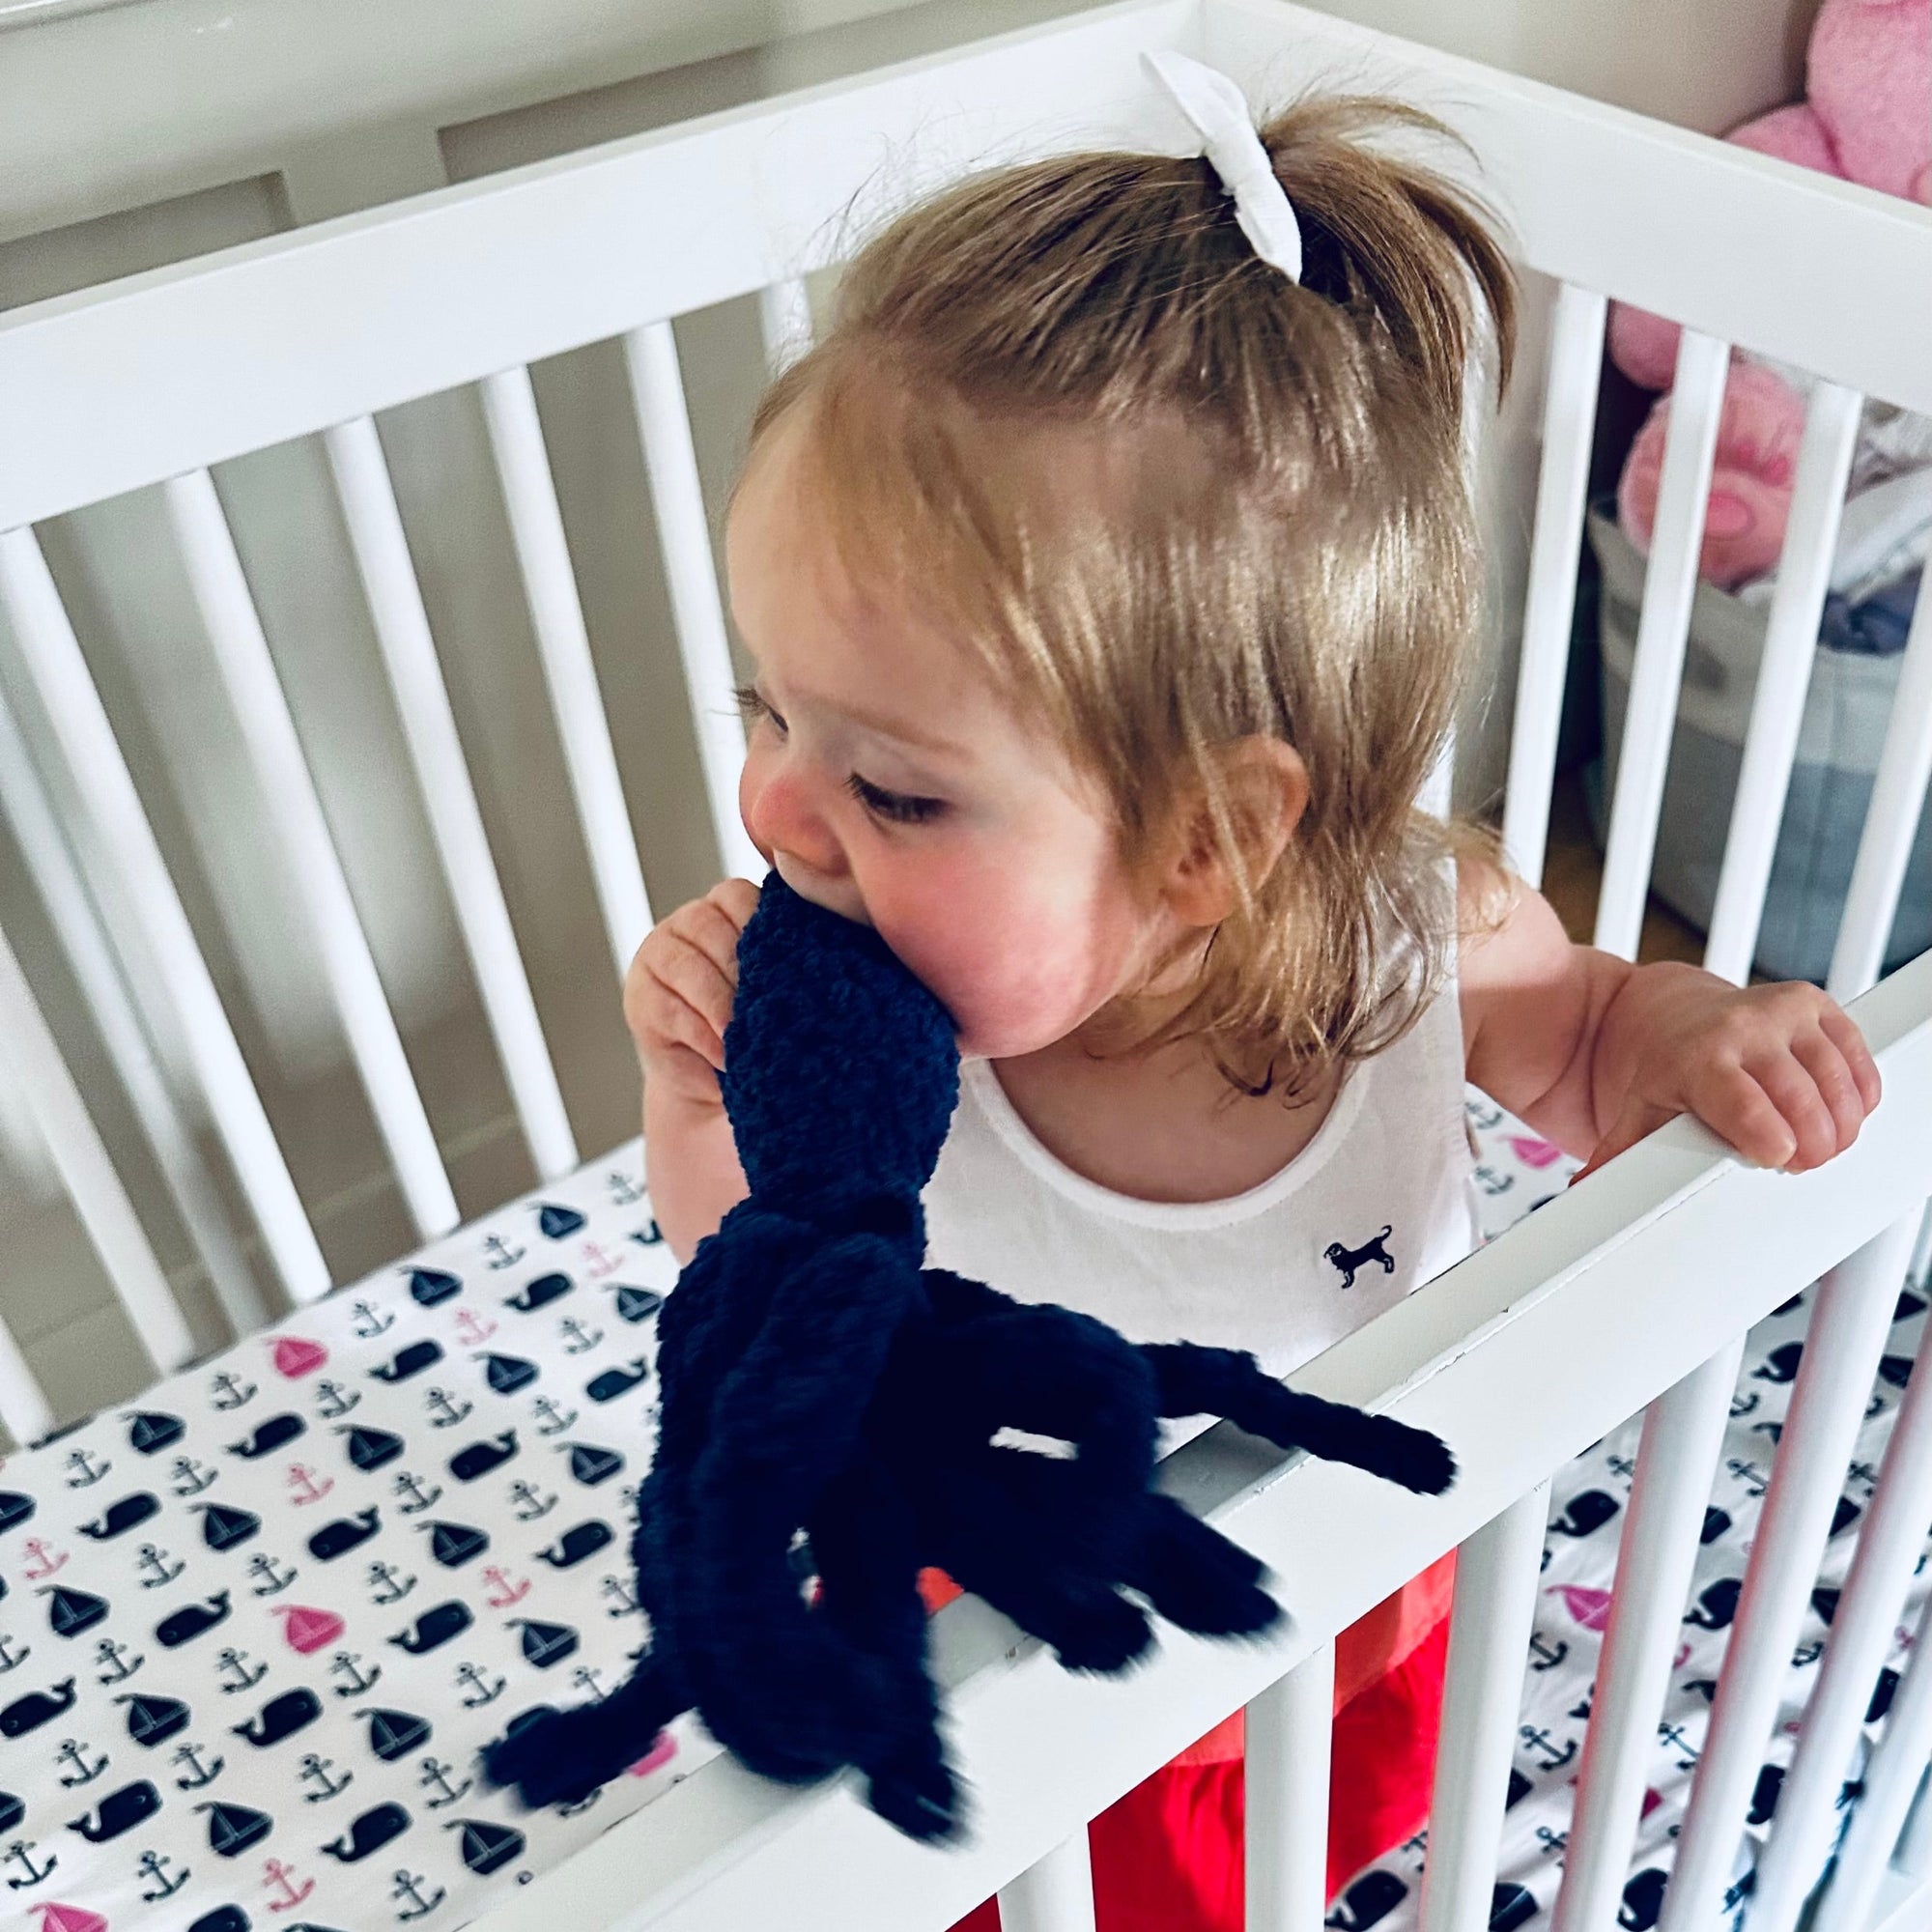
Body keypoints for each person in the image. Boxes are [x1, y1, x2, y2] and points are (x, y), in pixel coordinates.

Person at [620, 51, 1881, 1929]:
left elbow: (1601, 1041)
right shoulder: (875, 1026)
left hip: (1346, 1574)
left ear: (1208, 842)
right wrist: (699, 1100)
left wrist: (1696, 1028)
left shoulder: (1420, 939)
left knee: (1313, 1802)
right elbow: (750, 1250)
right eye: (768, 712)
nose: (775, 809)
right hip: (1003, 1577)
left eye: (890, 782)